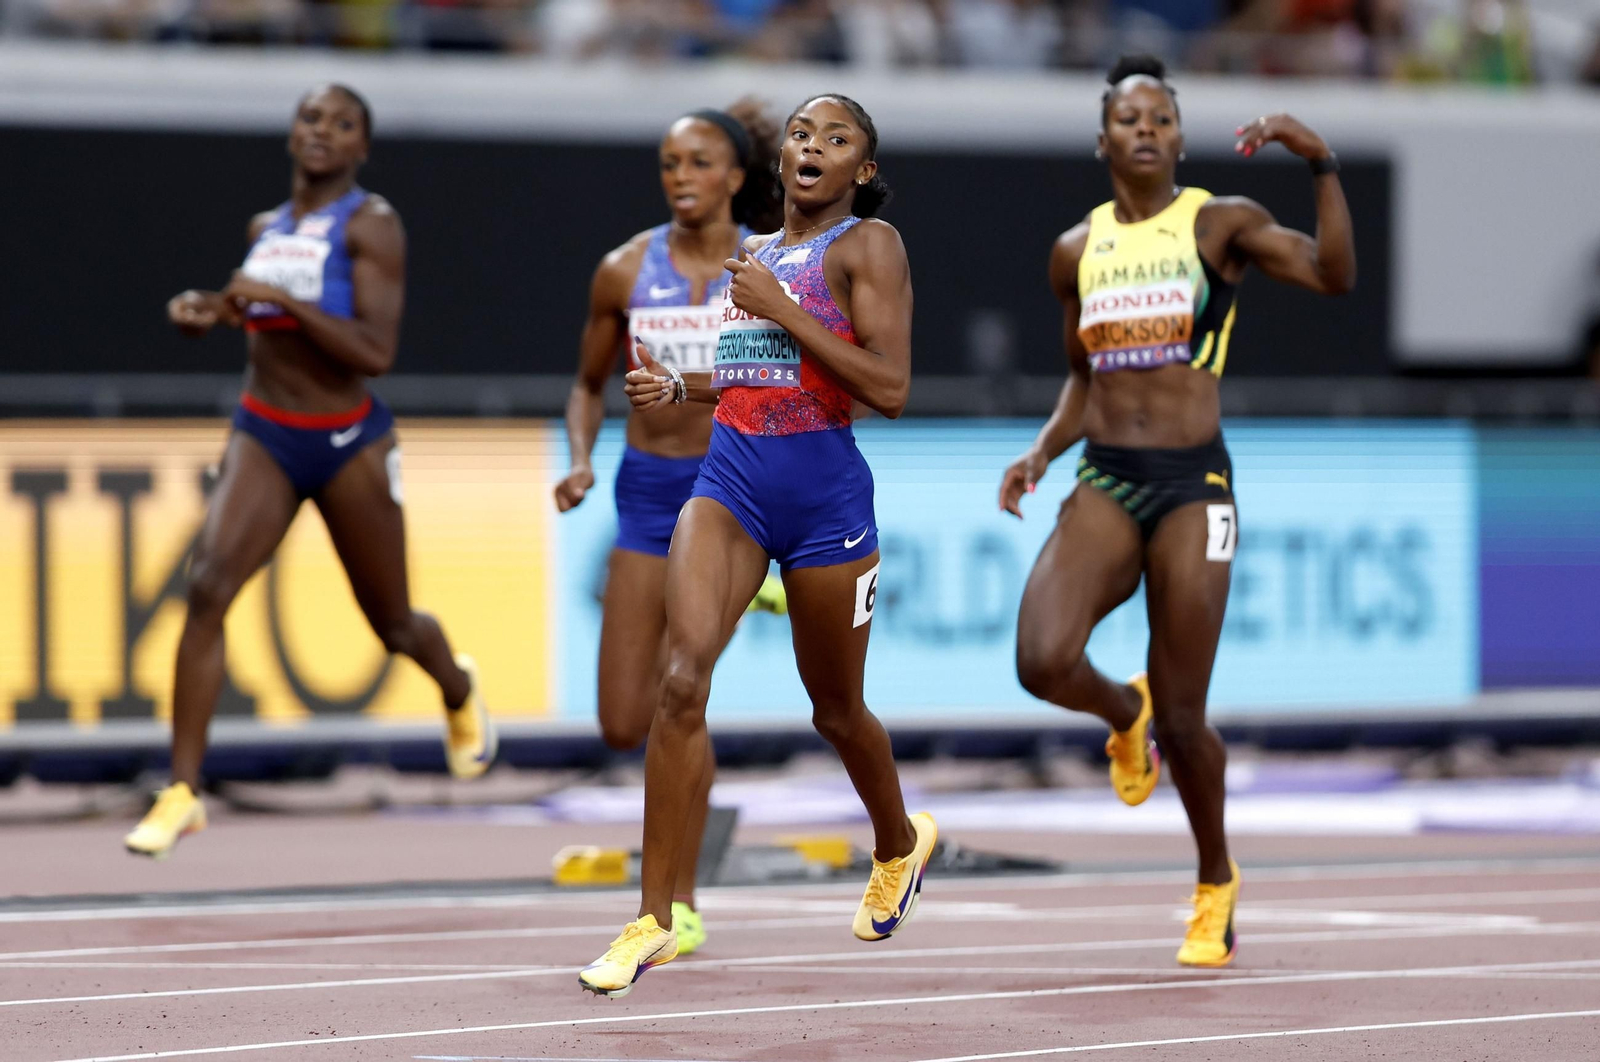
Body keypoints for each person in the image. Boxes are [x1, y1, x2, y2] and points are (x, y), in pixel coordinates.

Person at [577, 93, 937, 998]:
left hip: (825, 507)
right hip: (729, 488)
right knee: (679, 679)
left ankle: (899, 842)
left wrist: (782, 306)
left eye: (838, 138)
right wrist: (682, 387)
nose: (814, 146)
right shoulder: (759, 257)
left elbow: (888, 389)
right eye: (803, 135)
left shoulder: (868, 248)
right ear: (781, 161)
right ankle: (652, 918)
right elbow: (757, 376)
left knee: (836, 711)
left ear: (864, 170)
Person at [999, 55, 1355, 968]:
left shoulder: (1221, 223)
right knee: (1041, 658)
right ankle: (1124, 714)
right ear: (1104, 139)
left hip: (1195, 485)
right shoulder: (1075, 251)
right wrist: (1043, 451)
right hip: (1108, 475)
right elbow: (1082, 377)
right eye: (1129, 117)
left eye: (1161, 116)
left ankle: (1213, 883)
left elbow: (1334, 278)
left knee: (1190, 718)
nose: (1146, 129)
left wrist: (1320, 166)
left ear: (1180, 137)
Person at [125, 84, 495, 859]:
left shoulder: (373, 224)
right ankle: (183, 790)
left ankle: (456, 687)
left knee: (393, 623)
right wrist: (208, 308)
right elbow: (253, 313)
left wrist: (281, 304)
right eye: (311, 119)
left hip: (346, 439)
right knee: (207, 586)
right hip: (265, 430)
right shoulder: (268, 227)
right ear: (293, 135)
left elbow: (375, 353)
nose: (322, 131)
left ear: (362, 148)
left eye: (342, 124)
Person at [553, 101, 784, 956]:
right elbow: (586, 384)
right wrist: (580, 457)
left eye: (698, 162)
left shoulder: (767, 265)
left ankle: (679, 906)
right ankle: (751, 602)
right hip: (646, 496)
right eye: (668, 165)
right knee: (625, 718)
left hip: (730, 495)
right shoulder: (623, 269)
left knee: (679, 693)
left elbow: (799, 378)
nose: (681, 178)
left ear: (733, 176)